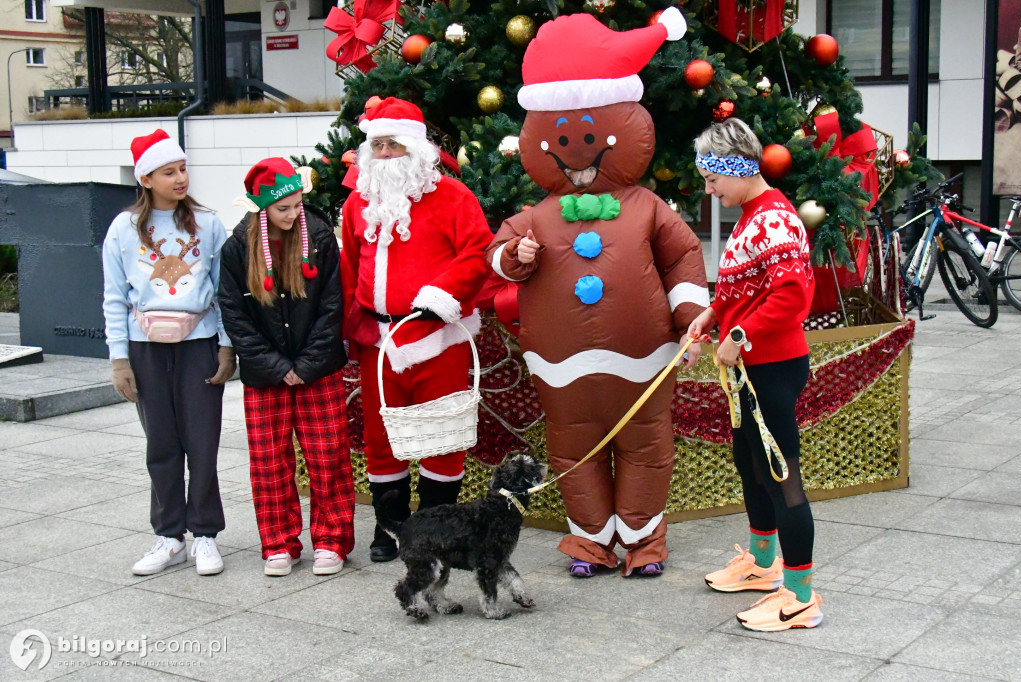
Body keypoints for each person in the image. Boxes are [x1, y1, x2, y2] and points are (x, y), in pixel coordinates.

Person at [486, 8, 706, 578]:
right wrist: (516, 258)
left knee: (647, 446)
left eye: (592, 136)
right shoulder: (535, 215)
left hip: (645, 360)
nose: (578, 152)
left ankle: (643, 541)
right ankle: (591, 541)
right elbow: (497, 257)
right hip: (562, 367)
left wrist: (688, 313)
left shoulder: (649, 208)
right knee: (574, 449)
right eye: (562, 139)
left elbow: (683, 255)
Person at [340, 97, 493, 563]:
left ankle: (435, 531)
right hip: (380, 345)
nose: (385, 154)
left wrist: (440, 296)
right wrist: (354, 324)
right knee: (382, 438)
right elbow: (347, 268)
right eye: (378, 144)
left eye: (394, 144)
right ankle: (389, 529)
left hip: (438, 339)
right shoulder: (357, 202)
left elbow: (477, 253)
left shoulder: (453, 197)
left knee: (441, 438)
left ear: (417, 147)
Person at [687, 118, 822, 631]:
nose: (708, 188)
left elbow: (791, 296)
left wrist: (738, 338)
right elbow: (746, 285)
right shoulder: (752, 215)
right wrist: (713, 315)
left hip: (772, 366)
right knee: (750, 463)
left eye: (712, 177)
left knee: (782, 475)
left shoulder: (774, 219)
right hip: (750, 369)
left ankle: (801, 595)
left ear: (737, 168)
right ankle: (764, 567)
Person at [102, 129, 235, 577]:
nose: (181, 178)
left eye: (182, 169)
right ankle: (169, 535)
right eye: (169, 171)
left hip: (198, 346)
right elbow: (114, 296)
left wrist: (226, 346)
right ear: (146, 179)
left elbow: (223, 293)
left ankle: (205, 535)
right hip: (145, 350)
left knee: (202, 442)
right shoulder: (123, 229)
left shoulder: (208, 224)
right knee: (160, 443)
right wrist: (119, 358)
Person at [219, 158, 354, 577]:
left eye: (298, 205)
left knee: (327, 456)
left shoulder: (319, 238)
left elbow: (333, 306)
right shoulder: (238, 247)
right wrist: (278, 367)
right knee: (269, 461)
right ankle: (278, 543)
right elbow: (234, 314)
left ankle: (332, 540)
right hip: (266, 376)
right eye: (284, 209)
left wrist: (307, 364)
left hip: (319, 370)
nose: (294, 214)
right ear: (262, 209)